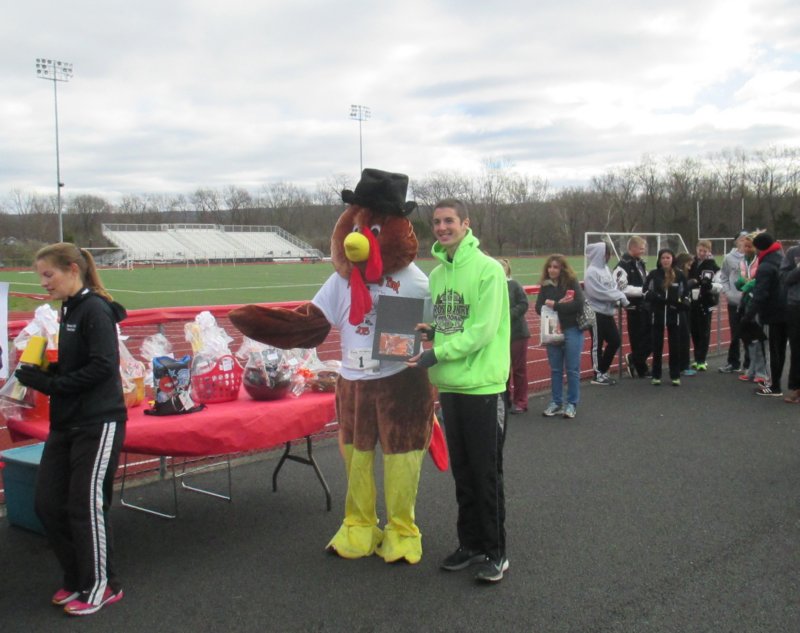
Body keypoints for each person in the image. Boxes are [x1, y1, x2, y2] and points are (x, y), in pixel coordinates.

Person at [14, 243, 127, 616]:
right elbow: (77, 366)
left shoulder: (95, 309)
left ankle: (102, 585)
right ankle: (77, 577)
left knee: (85, 505)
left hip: (98, 421)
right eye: (41, 276)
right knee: (47, 503)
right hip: (66, 422)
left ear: (72, 270)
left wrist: (51, 384)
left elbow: (103, 367)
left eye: (49, 274)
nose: (43, 283)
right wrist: (46, 372)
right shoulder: (69, 309)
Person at [408, 198, 510, 583]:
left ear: (466, 224)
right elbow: (453, 326)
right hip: (450, 386)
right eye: (437, 222)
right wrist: (431, 333)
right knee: (463, 473)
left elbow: (482, 331)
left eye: (449, 220)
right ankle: (470, 544)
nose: (442, 228)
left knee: (486, 473)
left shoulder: (488, 270)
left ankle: (496, 552)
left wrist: (436, 353)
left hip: (483, 387)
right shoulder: (436, 276)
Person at [534, 254, 585, 418]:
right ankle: (556, 402)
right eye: (549, 267)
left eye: (555, 267)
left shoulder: (571, 282)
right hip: (551, 328)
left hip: (572, 328)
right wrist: (549, 306)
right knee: (555, 369)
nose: (552, 270)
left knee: (572, 369)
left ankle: (571, 404)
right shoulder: (545, 285)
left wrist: (555, 305)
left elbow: (578, 304)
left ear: (562, 268)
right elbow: (538, 307)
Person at [742, 232, 788, 397]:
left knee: (772, 349)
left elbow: (760, 294)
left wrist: (748, 315)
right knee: (781, 349)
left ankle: (774, 385)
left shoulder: (766, 266)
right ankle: (779, 383)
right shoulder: (782, 259)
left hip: (773, 312)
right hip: (788, 308)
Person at [584, 242, 629, 385]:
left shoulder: (606, 269)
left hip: (607, 312)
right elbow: (597, 292)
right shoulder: (591, 272)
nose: (609, 257)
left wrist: (618, 294)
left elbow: (612, 287)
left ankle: (602, 370)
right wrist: (618, 296)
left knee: (615, 340)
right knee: (597, 344)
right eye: (607, 254)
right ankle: (598, 374)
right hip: (595, 312)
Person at [644, 249, 690, 386]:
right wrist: (653, 296)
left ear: (672, 259)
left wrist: (683, 303)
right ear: (659, 260)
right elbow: (645, 291)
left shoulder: (679, 275)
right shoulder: (653, 274)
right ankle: (656, 375)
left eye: (668, 257)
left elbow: (685, 293)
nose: (665, 260)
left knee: (674, 346)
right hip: (657, 314)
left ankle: (675, 375)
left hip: (674, 314)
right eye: (663, 258)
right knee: (657, 345)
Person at [613, 236, 651, 378]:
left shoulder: (640, 263)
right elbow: (621, 288)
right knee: (638, 338)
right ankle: (640, 367)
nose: (643, 251)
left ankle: (635, 359)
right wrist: (642, 291)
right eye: (641, 248)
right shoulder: (623, 266)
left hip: (645, 305)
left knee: (650, 337)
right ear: (632, 248)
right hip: (634, 307)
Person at [498, 258, 531, 414]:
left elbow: (524, 304)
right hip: (500, 335)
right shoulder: (492, 285)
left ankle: (521, 401)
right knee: (502, 369)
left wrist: (508, 315)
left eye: (502, 266)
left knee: (518, 369)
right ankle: (505, 399)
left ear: (507, 269)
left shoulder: (514, 285)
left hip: (517, 333)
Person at [736, 233, 768, 385]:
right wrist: (740, 282)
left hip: (758, 303)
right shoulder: (743, 261)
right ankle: (752, 369)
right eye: (745, 246)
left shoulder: (761, 261)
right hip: (746, 302)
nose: (747, 249)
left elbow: (761, 280)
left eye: (750, 246)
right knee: (749, 339)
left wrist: (750, 284)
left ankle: (762, 372)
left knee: (759, 339)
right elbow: (741, 280)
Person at [686, 240, 721, 371]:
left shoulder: (713, 266)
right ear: (696, 249)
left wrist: (709, 286)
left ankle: (702, 359)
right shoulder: (692, 263)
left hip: (706, 302)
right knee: (694, 330)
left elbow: (719, 284)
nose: (701, 253)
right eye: (700, 250)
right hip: (693, 301)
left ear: (709, 251)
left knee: (704, 331)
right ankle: (696, 358)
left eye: (704, 251)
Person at [718, 231, 750, 373]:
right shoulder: (729, 258)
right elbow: (724, 276)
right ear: (736, 241)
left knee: (749, 333)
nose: (744, 242)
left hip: (749, 301)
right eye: (741, 239)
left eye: (747, 239)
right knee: (735, 334)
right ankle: (733, 362)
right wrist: (728, 292)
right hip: (734, 301)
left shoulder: (753, 256)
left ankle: (749, 364)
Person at [779, 242, 800, 403]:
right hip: (796, 306)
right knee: (797, 348)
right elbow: (784, 278)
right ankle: (796, 388)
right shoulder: (793, 252)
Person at [674, 253, 695, 376]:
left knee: (683, 336)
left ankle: (682, 365)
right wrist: (690, 283)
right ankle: (683, 366)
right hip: (679, 308)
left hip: (682, 307)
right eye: (688, 265)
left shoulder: (679, 273)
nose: (690, 268)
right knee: (683, 336)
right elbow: (680, 290)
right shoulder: (678, 273)